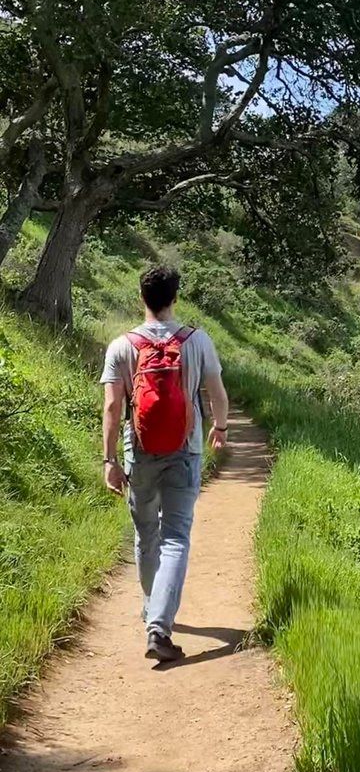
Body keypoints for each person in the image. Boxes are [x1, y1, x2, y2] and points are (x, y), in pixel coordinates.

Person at [101, 264, 229, 663]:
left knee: (146, 536)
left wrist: (108, 460)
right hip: (185, 451)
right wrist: (220, 428)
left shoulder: (122, 346)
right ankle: (159, 625)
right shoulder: (198, 340)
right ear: (175, 299)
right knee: (175, 537)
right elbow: (217, 394)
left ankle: (150, 609)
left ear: (142, 298)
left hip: (138, 452)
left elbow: (111, 406)